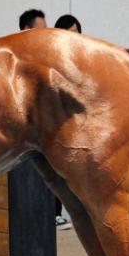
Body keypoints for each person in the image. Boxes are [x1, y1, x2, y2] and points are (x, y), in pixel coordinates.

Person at [52, 13, 82, 229]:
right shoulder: (54, 57)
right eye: (71, 33)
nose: (75, 37)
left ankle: (64, 213)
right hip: (56, 125)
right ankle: (54, 214)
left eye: (77, 33)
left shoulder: (79, 57)